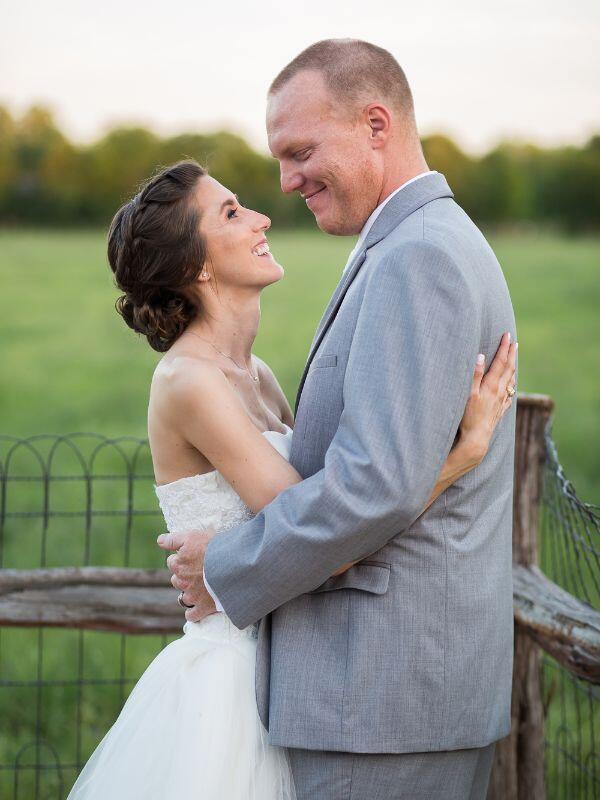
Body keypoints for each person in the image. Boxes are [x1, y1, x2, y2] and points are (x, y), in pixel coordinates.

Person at [65, 158, 516, 800]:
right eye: (230, 212)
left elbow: (334, 499)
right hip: (230, 684)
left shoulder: (258, 373)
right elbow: (319, 533)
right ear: (197, 265)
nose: (261, 216)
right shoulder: (190, 381)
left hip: (289, 658)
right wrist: (460, 457)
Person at [161, 39, 519, 800]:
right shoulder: (399, 245)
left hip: (385, 706)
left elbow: (372, 487)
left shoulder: (416, 255)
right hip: (380, 704)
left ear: (376, 126)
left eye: (301, 152)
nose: (286, 183)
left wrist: (224, 569)